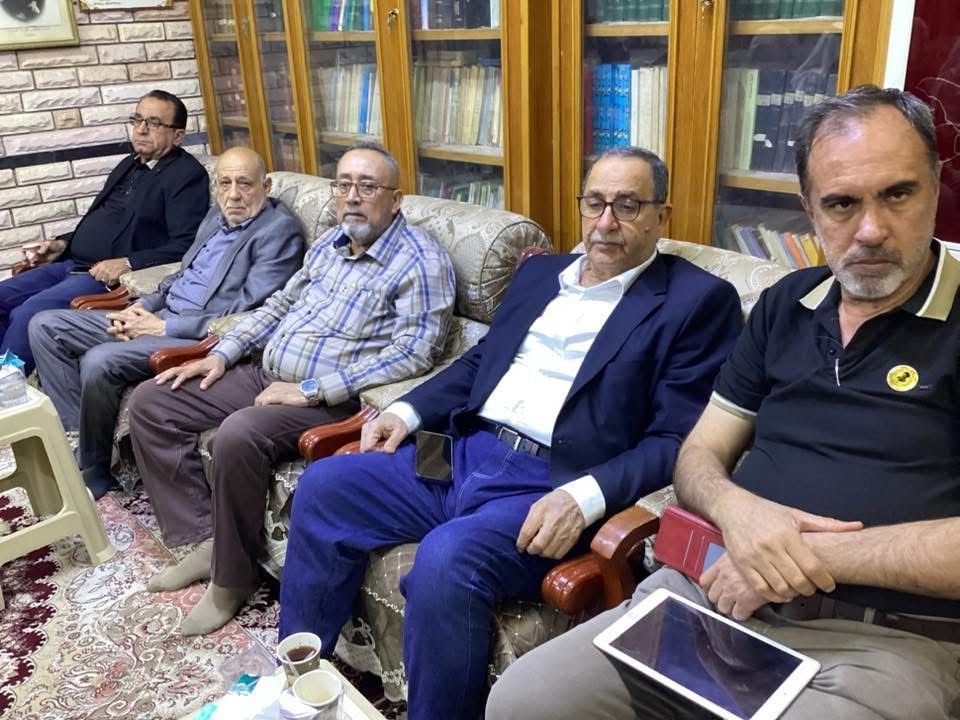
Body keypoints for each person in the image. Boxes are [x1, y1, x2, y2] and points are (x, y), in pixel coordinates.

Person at [486, 86, 960, 720]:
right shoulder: (785, 304)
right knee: (524, 701)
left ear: (936, 185)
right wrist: (740, 514)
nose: (871, 230)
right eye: (842, 203)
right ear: (810, 210)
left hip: (880, 642)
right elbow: (698, 453)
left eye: (897, 194)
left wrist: (799, 555)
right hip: (710, 592)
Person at [279, 146, 744, 720]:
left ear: (660, 216)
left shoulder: (696, 302)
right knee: (326, 485)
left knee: (446, 560)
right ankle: (300, 685)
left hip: (548, 483)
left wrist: (582, 498)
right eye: (595, 203)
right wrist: (407, 411)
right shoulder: (540, 274)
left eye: (627, 206)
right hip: (462, 451)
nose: (606, 222)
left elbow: (675, 439)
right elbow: (481, 363)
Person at [126, 142, 457, 637]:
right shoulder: (329, 244)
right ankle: (207, 539)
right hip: (266, 374)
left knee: (238, 433)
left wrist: (311, 389)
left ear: (396, 199)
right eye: (343, 185)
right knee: (154, 401)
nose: (352, 197)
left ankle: (231, 580)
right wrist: (221, 353)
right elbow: (279, 306)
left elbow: (416, 353)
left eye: (368, 187)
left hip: (331, 401)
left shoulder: (420, 262)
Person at [28, 146, 305, 500]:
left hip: (193, 335)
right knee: (45, 326)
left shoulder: (278, 232)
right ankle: (78, 439)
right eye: (225, 183)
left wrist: (163, 328)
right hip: (159, 315)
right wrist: (140, 307)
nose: (234, 194)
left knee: (100, 359)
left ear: (266, 187)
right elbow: (181, 275)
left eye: (245, 184)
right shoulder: (215, 216)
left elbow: (247, 311)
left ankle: (94, 467)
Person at [1, 90, 209, 374]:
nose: (141, 129)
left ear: (178, 136)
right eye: (137, 119)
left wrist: (127, 263)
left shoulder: (187, 175)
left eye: (153, 123)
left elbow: (187, 244)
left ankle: (7, 390)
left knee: (27, 311)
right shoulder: (130, 164)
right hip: (70, 264)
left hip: (102, 280)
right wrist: (61, 245)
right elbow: (101, 221)